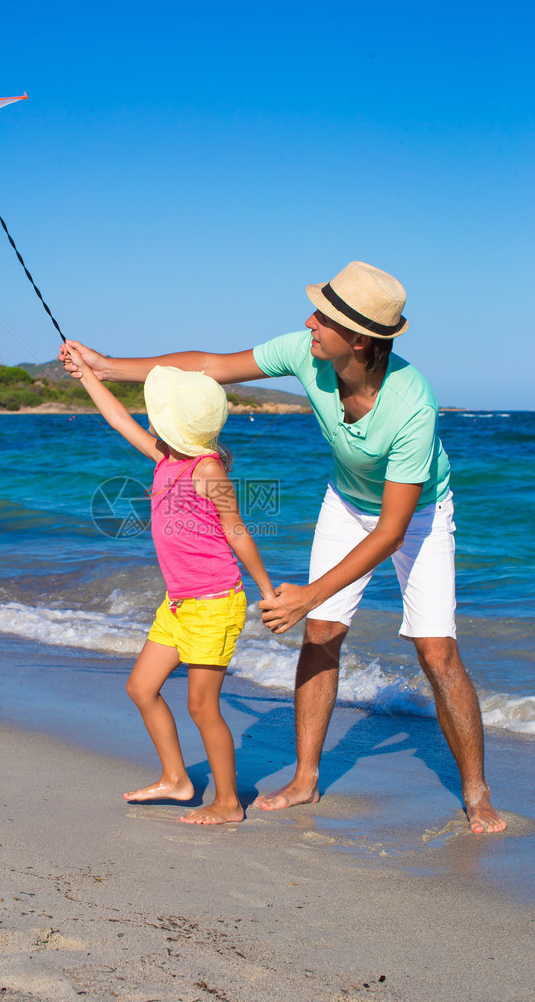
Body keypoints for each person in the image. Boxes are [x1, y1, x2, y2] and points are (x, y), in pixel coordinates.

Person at [58, 262, 506, 835]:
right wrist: (107, 366)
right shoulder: (305, 352)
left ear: (362, 340)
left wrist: (305, 595)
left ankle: (476, 789)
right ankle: (306, 777)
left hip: (416, 513)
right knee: (321, 632)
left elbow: (391, 531)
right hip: (345, 500)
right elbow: (212, 367)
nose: (309, 322)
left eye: (324, 318)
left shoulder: (412, 405)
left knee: (436, 650)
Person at [63, 343, 276, 825]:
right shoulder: (165, 458)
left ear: (170, 423)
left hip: (215, 602)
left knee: (202, 707)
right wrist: (86, 376)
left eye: (157, 415)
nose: (150, 421)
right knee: (141, 687)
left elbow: (238, 530)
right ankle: (179, 780)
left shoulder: (207, 469)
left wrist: (265, 590)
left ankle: (228, 803)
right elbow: (118, 420)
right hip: (179, 604)